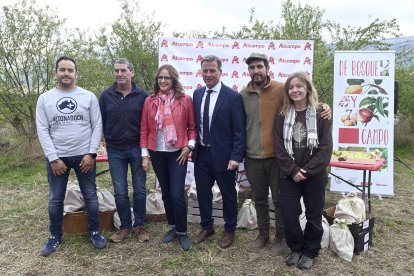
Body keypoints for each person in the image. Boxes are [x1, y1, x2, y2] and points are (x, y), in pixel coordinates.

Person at [241, 53, 331, 255]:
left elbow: (306, 101)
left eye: (259, 67)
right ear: (249, 71)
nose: (256, 71)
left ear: (267, 68)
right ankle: (263, 234)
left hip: (278, 159)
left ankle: (282, 238)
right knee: (260, 198)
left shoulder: (282, 89)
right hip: (253, 156)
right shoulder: (243, 94)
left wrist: (325, 107)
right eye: (252, 67)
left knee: (282, 202)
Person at [36, 56, 107, 256]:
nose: (66, 73)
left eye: (70, 70)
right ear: (55, 73)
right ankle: (55, 236)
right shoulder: (45, 99)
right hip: (58, 158)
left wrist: (91, 153)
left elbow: (97, 126)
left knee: (91, 196)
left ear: (76, 73)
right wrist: (53, 158)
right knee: (56, 199)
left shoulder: (88, 97)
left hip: (84, 156)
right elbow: (42, 130)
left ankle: (94, 231)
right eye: (62, 70)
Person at [274, 72, 333, 270]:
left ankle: (310, 251)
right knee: (290, 215)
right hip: (288, 175)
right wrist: (292, 171)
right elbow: (279, 147)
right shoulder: (282, 115)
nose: (295, 90)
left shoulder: (321, 114)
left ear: (307, 88)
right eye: (291, 87)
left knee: (314, 215)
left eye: (299, 86)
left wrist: (306, 171)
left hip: (314, 176)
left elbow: (325, 149)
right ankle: (296, 248)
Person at [140, 64, 197, 251]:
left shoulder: (185, 100)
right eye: (160, 78)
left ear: (174, 80)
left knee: (177, 194)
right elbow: (145, 129)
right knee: (165, 192)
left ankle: (182, 232)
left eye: (167, 78)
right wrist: (145, 155)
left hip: (177, 154)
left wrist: (189, 146)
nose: (163, 81)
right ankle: (172, 227)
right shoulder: (150, 101)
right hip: (157, 153)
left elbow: (192, 128)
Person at [192, 55, 246, 249]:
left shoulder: (232, 97)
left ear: (220, 72)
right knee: (203, 193)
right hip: (202, 154)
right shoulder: (197, 94)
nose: (208, 74)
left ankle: (229, 230)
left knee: (228, 195)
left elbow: (239, 131)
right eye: (205, 71)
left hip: (224, 157)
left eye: (212, 70)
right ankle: (207, 227)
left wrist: (235, 157)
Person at [99, 58, 149, 243]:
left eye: (123, 70)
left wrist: (146, 151)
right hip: (115, 150)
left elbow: (148, 124)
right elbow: (100, 122)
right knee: (120, 191)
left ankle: (140, 226)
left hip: (137, 148)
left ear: (132, 72)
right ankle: (125, 227)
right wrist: (100, 143)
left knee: (140, 189)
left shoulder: (143, 95)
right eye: (116, 71)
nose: (119, 74)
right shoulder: (106, 96)